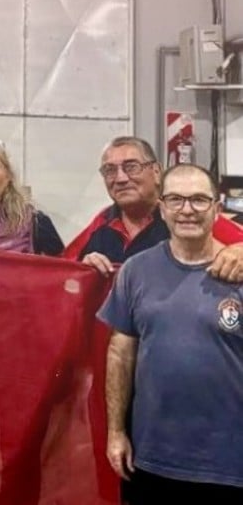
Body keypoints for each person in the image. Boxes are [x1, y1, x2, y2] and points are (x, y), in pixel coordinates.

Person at [99, 163, 243, 502]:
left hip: (229, 463)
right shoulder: (136, 271)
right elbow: (120, 354)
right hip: (151, 460)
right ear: (162, 209)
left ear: (216, 209)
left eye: (198, 200)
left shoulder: (238, 271)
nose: (187, 210)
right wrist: (116, 432)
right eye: (176, 200)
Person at [66, 136, 243, 277]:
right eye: (109, 170)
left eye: (131, 167)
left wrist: (238, 252)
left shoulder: (184, 215)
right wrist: (84, 267)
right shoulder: (103, 221)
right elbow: (62, 267)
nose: (120, 178)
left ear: (157, 172)